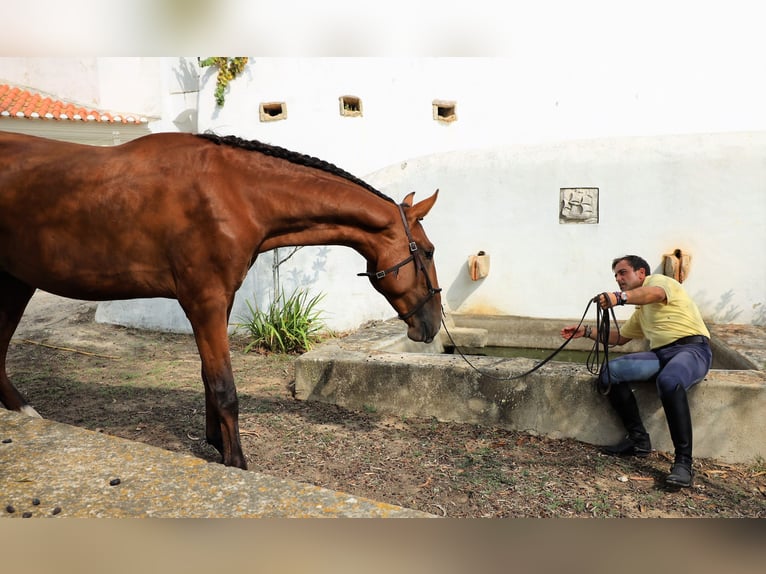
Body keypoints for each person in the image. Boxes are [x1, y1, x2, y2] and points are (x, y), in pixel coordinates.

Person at [560, 255, 712, 488]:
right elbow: (620, 338)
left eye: (623, 273)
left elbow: (656, 294)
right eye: (616, 276)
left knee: (669, 380)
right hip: (662, 354)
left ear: (641, 273)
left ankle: (683, 462)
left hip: (692, 349)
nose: (619, 279)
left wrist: (620, 298)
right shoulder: (642, 311)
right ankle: (639, 441)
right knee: (611, 372)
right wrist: (586, 331)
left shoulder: (659, 282)